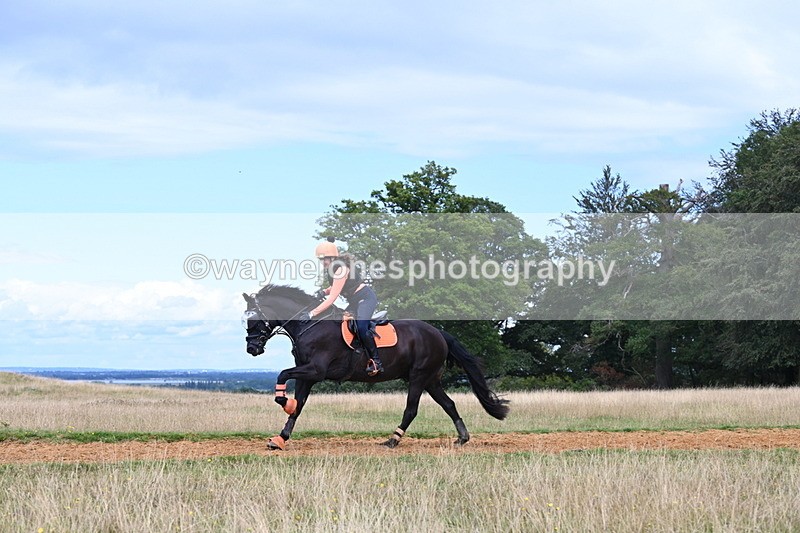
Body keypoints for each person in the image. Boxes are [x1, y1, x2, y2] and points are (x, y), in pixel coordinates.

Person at [305, 237, 384, 376]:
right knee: (341, 324)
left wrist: (311, 313)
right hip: (354, 301)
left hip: (366, 298)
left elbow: (332, 298)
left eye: (325, 259)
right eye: (321, 259)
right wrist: (324, 291)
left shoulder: (341, 269)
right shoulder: (333, 269)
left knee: (361, 326)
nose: (323, 262)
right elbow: (337, 286)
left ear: (332, 257)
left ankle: (376, 361)